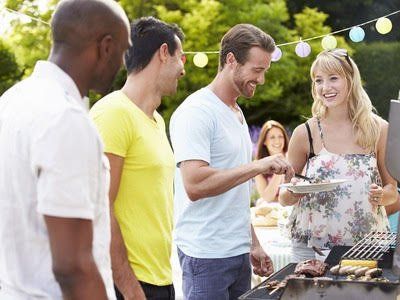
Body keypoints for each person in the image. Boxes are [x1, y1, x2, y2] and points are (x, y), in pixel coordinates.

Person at [0, 0, 130, 299]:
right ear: (105, 46)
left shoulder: (12, 100)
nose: (123, 63)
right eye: (123, 51)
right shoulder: (65, 118)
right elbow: (73, 267)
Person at [169, 24, 294, 300]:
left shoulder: (236, 113)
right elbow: (195, 183)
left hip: (237, 255)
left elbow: (234, 193)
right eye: (257, 70)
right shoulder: (197, 112)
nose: (261, 80)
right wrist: (259, 166)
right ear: (231, 61)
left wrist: (254, 243)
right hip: (206, 257)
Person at [90, 17, 185, 300]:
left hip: (159, 279)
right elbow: (99, 208)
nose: (182, 69)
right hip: (128, 286)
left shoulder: (157, 120)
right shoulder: (112, 114)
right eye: (181, 58)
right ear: (163, 53)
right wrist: (131, 291)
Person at [279, 49, 398, 262]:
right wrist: (294, 192)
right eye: (318, 80)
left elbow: (393, 192)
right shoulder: (305, 132)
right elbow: (283, 197)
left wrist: (381, 196)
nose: (325, 87)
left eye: (333, 78)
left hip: (366, 245)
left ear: (350, 80)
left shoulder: (378, 129)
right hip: (311, 248)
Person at [254, 120, 290, 205]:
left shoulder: (292, 158)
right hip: (272, 209)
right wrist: (281, 167)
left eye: (280, 136)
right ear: (264, 141)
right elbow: (267, 198)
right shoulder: (258, 165)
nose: (277, 141)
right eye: (272, 137)